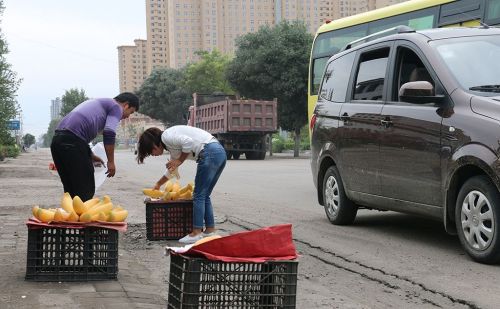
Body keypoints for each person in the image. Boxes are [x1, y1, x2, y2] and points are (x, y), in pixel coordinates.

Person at [137, 125, 226, 244]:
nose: (152, 155)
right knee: (204, 195)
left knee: (198, 195)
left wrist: (179, 161)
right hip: (219, 152)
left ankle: (196, 232)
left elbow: (188, 143)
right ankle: (210, 230)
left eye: (150, 152)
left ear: (154, 144)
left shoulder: (167, 136)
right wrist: (158, 184)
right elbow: (171, 171)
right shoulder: (171, 147)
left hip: (209, 152)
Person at [51, 92, 139, 201]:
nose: (127, 116)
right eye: (130, 112)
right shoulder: (116, 107)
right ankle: (82, 216)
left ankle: (73, 216)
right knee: (85, 189)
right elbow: (109, 132)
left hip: (57, 142)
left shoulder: (100, 102)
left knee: (71, 190)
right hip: (72, 143)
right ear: (126, 105)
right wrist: (111, 162)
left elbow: (75, 133)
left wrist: (90, 155)